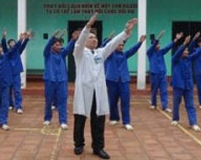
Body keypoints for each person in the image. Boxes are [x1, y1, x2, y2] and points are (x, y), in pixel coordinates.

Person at [73, 12, 137, 159]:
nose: (94, 39)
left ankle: (98, 147)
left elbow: (112, 44)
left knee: (99, 120)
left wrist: (126, 31)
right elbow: (79, 42)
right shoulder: (79, 53)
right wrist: (88, 26)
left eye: (95, 37)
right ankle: (78, 144)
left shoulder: (100, 53)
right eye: (91, 37)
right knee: (80, 119)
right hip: (84, 91)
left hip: (98, 92)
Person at [171, 35, 201, 132]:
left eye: (187, 50)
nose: (186, 52)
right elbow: (177, 53)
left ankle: (193, 123)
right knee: (176, 103)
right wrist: (184, 44)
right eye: (184, 50)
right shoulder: (175, 60)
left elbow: (199, 52)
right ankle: (175, 119)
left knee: (190, 105)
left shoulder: (189, 59)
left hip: (188, 85)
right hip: (178, 85)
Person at [105, 35, 146, 131]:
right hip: (112, 80)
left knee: (125, 101)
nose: (121, 46)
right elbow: (105, 48)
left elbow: (132, 50)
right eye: (119, 45)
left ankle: (126, 122)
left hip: (123, 80)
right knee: (113, 100)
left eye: (122, 45)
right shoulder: (110, 54)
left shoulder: (124, 55)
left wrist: (140, 42)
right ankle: (114, 117)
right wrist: (109, 41)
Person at [43, 30, 79, 130]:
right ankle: (47, 118)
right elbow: (47, 46)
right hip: (50, 80)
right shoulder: (47, 54)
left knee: (63, 101)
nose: (59, 46)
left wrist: (73, 39)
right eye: (57, 45)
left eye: (60, 45)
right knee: (48, 100)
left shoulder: (62, 54)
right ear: (52, 46)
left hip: (62, 80)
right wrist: (53, 37)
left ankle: (63, 121)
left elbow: (68, 48)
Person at [147, 30, 183, 112]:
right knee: (154, 90)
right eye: (158, 44)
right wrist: (158, 38)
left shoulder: (161, 52)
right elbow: (153, 47)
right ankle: (153, 104)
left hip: (162, 74)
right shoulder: (150, 52)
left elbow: (168, 47)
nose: (159, 45)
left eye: (159, 44)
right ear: (154, 44)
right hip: (154, 74)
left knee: (164, 90)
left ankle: (165, 106)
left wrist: (176, 39)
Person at [1, 29, 30, 114]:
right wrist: (4, 37)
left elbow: (23, 46)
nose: (13, 43)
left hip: (16, 72)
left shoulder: (18, 51)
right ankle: (10, 104)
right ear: (9, 44)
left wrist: (26, 39)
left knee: (17, 90)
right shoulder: (7, 52)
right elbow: (3, 44)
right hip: (8, 73)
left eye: (14, 42)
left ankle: (18, 106)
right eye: (11, 42)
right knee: (8, 90)